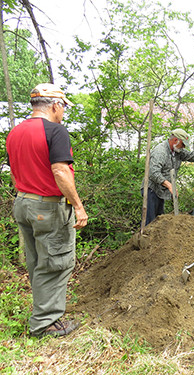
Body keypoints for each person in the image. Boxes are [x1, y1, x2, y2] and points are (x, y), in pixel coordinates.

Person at [6, 83, 88, 338]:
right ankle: (45, 324)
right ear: (55, 105)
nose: (63, 112)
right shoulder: (55, 131)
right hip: (48, 206)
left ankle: (43, 314)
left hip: (23, 202)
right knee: (56, 262)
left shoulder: (15, 132)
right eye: (63, 107)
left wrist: (25, 194)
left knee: (37, 260)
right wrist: (78, 205)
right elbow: (61, 171)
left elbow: (13, 171)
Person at [142, 128, 194, 225]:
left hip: (160, 191)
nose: (183, 147)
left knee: (158, 221)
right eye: (183, 144)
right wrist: (169, 185)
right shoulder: (160, 152)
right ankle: (145, 238)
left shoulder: (177, 151)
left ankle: (155, 239)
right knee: (150, 220)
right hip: (151, 190)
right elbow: (153, 173)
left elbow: (191, 155)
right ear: (176, 140)